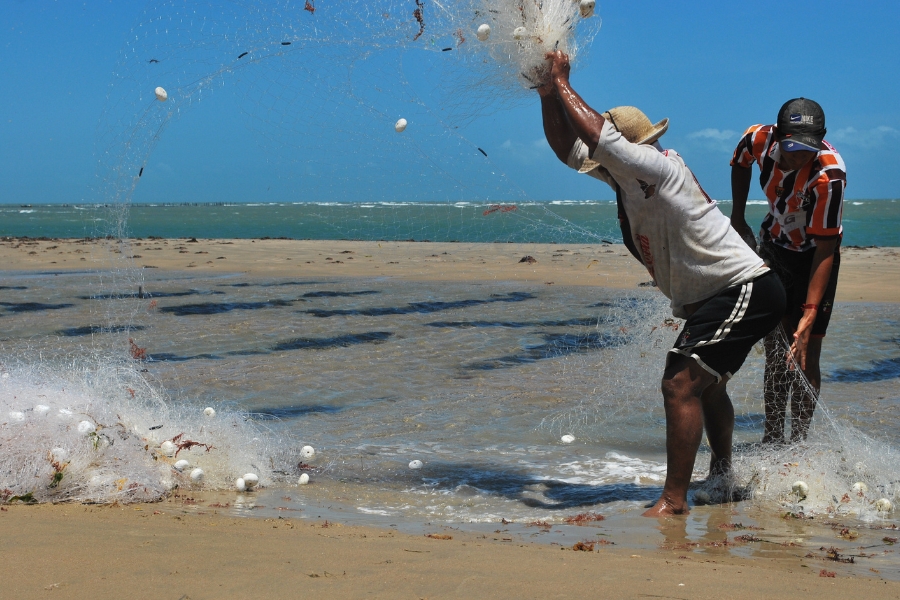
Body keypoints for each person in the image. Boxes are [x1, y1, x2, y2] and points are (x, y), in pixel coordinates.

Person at [537, 51, 785, 516]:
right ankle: (723, 476)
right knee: (707, 386)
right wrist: (547, 95)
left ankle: (673, 501)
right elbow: (567, 148)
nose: (602, 165)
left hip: (745, 287)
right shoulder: (627, 185)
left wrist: (562, 79)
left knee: (678, 382)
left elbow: (596, 137)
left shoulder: (660, 167)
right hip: (723, 293)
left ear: (631, 151)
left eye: (612, 156)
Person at [730, 98, 846, 444]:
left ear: (822, 138)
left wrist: (809, 314)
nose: (799, 159)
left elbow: (825, 249)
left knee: (805, 353)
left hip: (815, 259)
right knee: (778, 351)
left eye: (807, 151)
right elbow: (739, 162)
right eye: (792, 150)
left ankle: (798, 442)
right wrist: (737, 216)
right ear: (778, 134)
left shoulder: (829, 176)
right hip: (774, 250)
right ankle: (771, 437)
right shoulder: (758, 139)